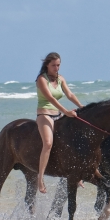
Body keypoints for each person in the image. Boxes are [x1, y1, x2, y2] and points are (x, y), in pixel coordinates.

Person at [35, 52, 83, 194]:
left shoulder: (60, 79)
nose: (56, 68)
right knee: (48, 143)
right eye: (53, 65)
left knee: (75, 140)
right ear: (47, 65)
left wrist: (82, 107)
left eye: (58, 65)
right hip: (45, 115)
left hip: (58, 115)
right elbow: (50, 99)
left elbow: (70, 95)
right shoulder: (41, 79)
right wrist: (67, 111)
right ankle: (40, 178)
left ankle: (77, 175)